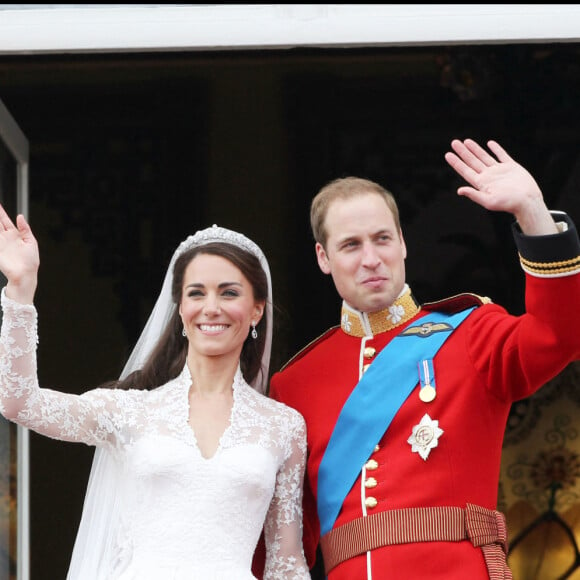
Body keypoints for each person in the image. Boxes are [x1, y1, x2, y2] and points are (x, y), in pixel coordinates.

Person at [268, 138, 580, 579]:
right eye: (351, 245)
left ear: (403, 244)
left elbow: (560, 335)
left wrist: (532, 211)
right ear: (324, 257)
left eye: (382, 239)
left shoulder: (472, 333)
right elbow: (281, 536)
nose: (371, 259)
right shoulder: (294, 383)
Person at [0, 212, 311, 579]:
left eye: (229, 292)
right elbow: (22, 403)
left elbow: (285, 561)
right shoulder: (130, 411)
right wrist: (21, 290)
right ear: (180, 308)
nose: (211, 307)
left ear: (257, 309)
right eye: (196, 293)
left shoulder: (284, 427)